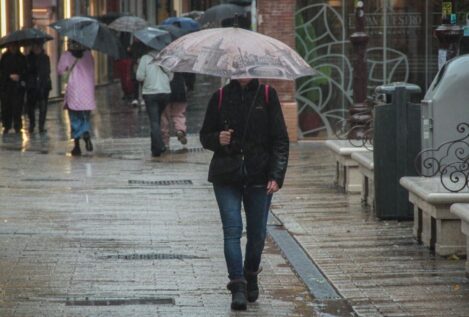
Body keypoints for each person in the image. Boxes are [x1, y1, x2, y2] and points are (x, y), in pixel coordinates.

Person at [199, 78, 289, 311]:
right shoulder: (219, 97)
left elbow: (280, 139)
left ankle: (251, 272)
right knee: (232, 230)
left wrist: (276, 176)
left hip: (259, 176)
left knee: (257, 233)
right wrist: (217, 139)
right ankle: (237, 285)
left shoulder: (267, 95)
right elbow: (204, 136)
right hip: (226, 175)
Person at [57, 41, 96, 156]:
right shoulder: (88, 54)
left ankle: (77, 146)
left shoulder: (67, 55)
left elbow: (60, 70)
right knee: (85, 116)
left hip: (74, 90)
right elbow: (92, 67)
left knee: (74, 118)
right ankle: (86, 133)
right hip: (87, 91)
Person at [136, 49, 172, 157]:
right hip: (165, 92)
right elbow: (171, 76)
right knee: (157, 119)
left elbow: (139, 77)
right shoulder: (165, 57)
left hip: (150, 93)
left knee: (154, 121)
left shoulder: (145, 58)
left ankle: (159, 146)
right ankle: (154, 147)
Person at [160, 72, 195, 148]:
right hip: (180, 89)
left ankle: (165, 141)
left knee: (164, 116)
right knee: (179, 114)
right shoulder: (180, 62)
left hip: (164, 89)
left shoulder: (162, 62)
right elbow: (190, 74)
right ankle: (180, 130)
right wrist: (190, 87)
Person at [0, 42, 27, 134]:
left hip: (18, 87)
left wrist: (20, 77)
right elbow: (2, 71)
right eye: (11, 46)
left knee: (17, 107)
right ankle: (6, 125)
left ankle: (17, 125)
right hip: (6, 86)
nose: (13, 48)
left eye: (15, 46)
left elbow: (25, 71)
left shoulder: (21, 57)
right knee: (6, 107)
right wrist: (9, 76)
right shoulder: (4, 57)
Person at [25, 41, 52, 134]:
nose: (36, 48)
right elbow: (26, 71)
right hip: (32, 86)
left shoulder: (45, 58)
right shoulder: (28, 58)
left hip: (43, 86)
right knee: (30, 107)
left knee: (43, 107)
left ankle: (41, 126)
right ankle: (32, 124)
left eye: (37, 46)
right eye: (34, 46)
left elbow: (47, 71)